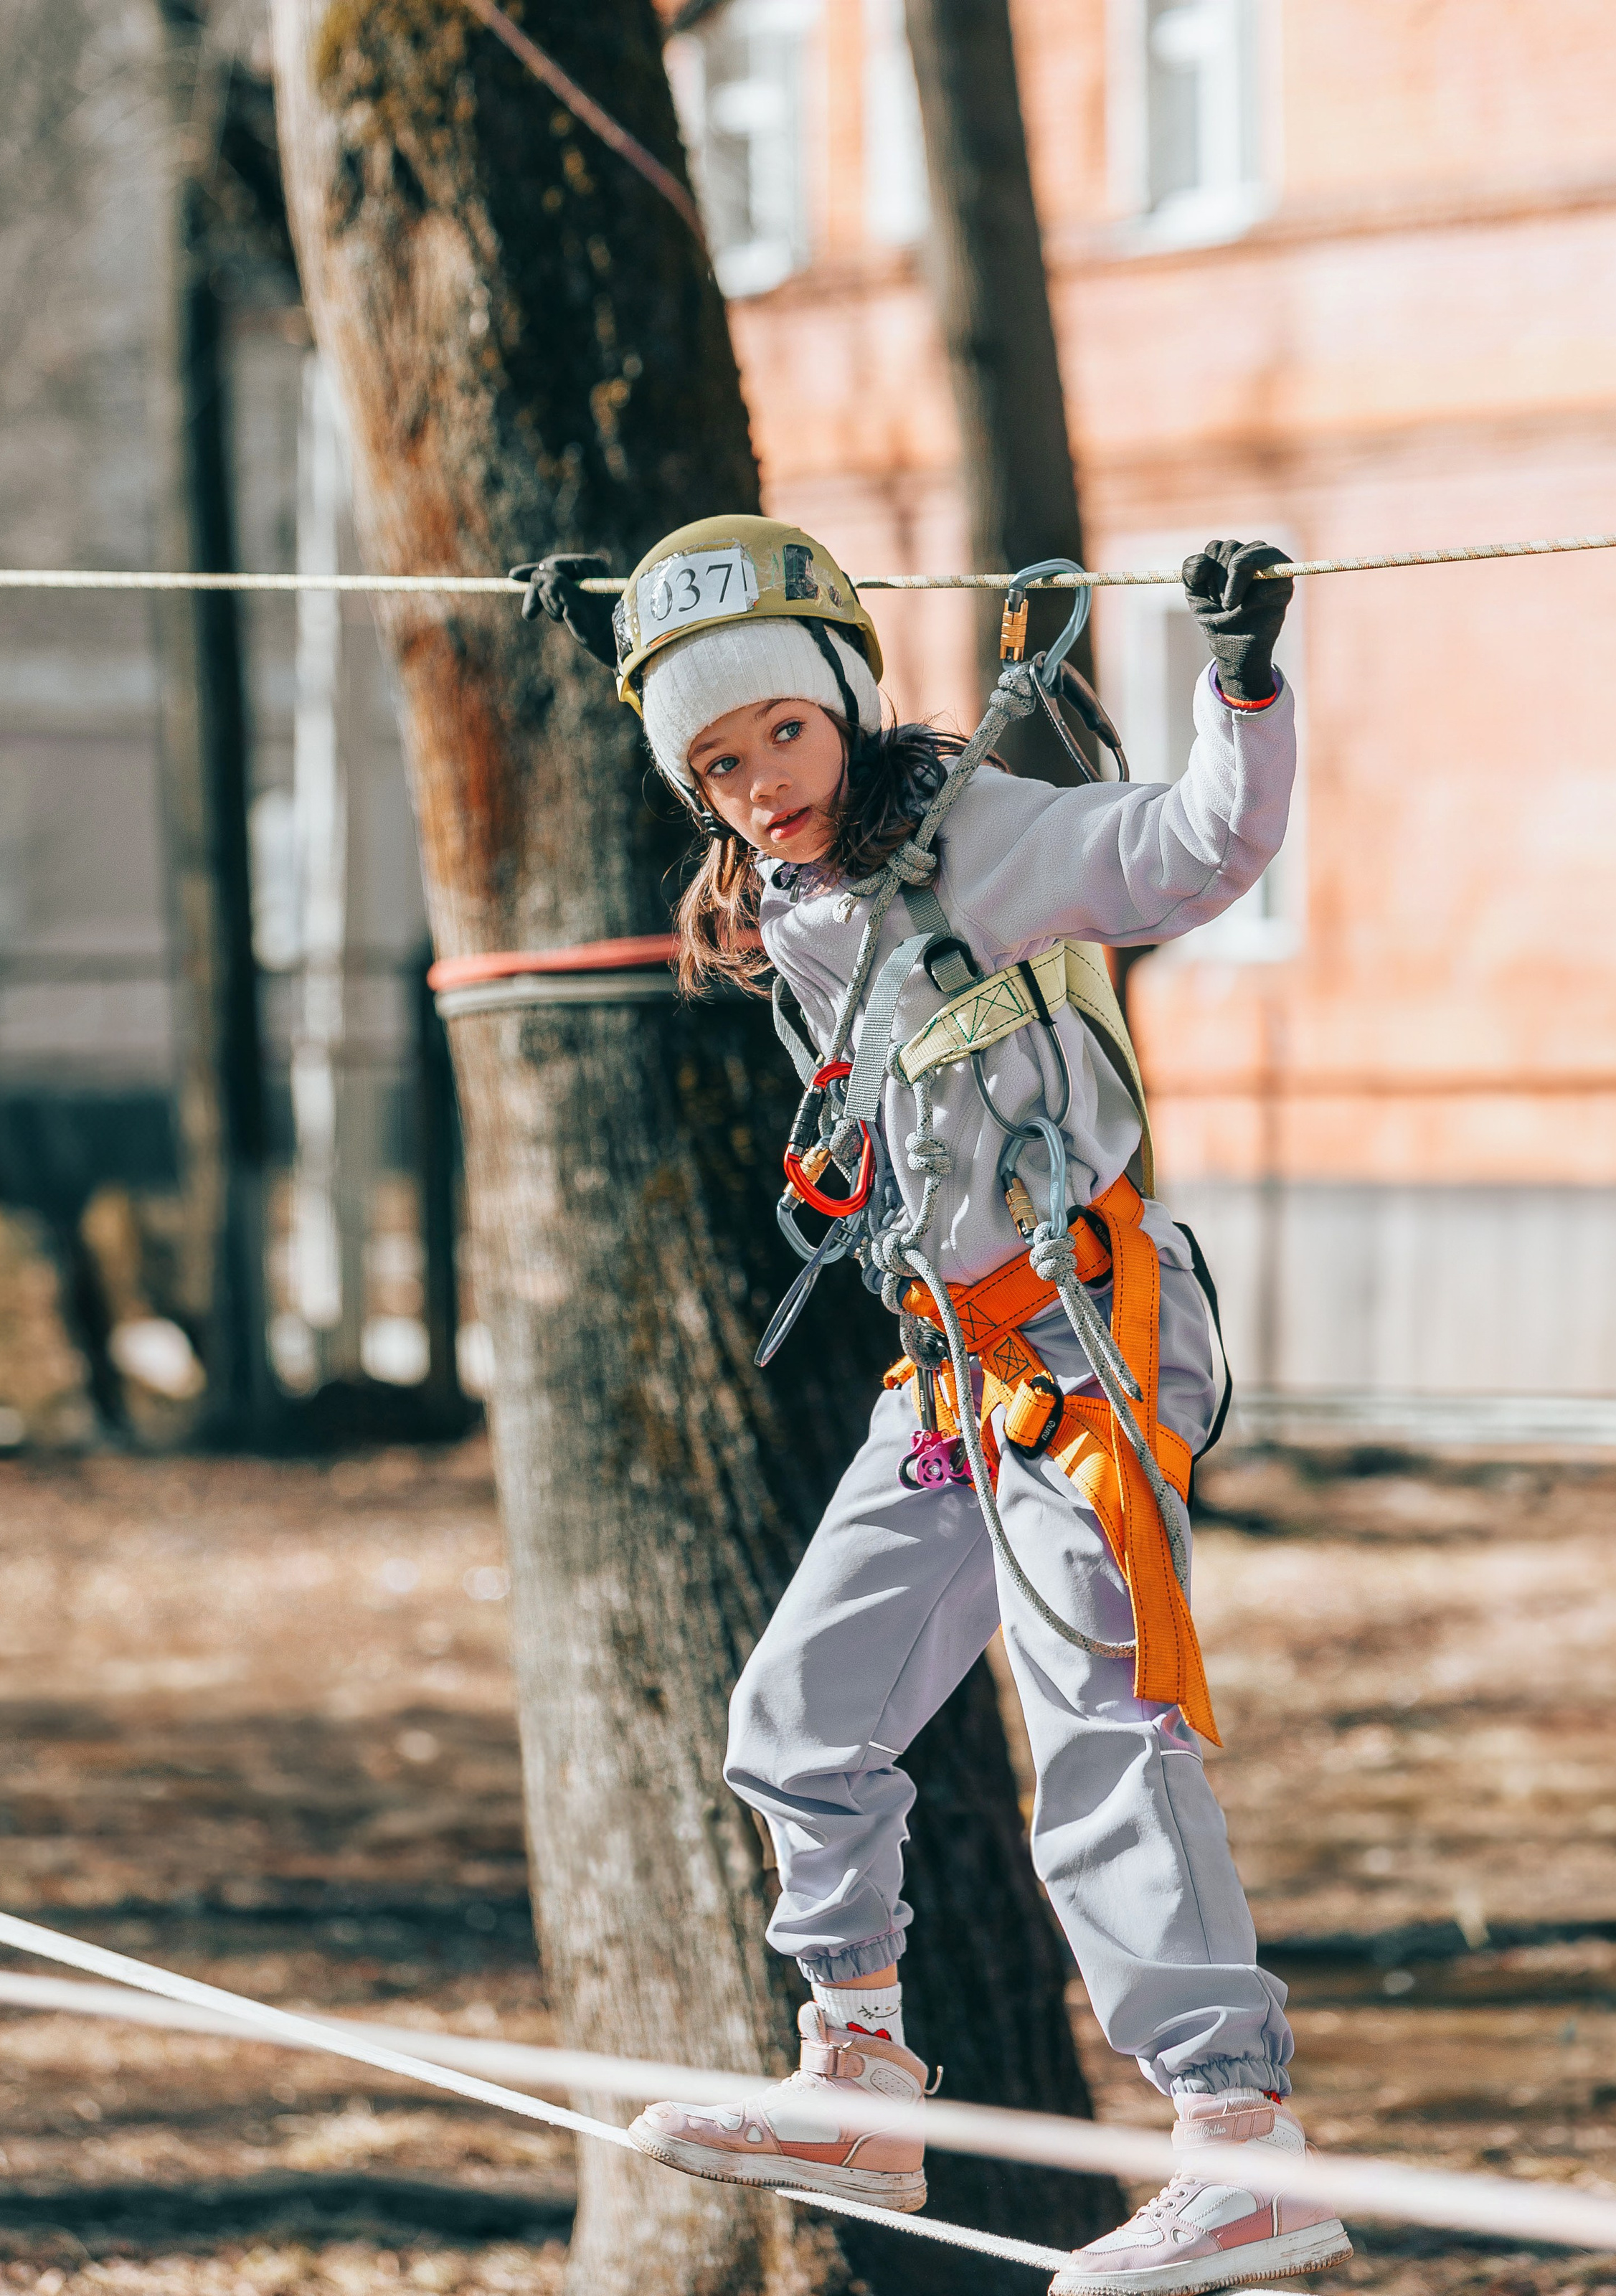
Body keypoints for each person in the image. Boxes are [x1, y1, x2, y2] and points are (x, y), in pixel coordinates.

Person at [511, 519, 1351, 2296]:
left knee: (1098, 1736)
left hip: (1088, 1344)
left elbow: (1208, 844)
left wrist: (1241, 681)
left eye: (782, 739)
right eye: (715, 767)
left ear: (847, 706)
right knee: (794, 1712)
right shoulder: (792, 899)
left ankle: (1235, 2136)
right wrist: (633, 636)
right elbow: (732, 718)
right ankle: (858, 2072)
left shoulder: (1004, 834)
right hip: (951, 1371)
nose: (755, 789)